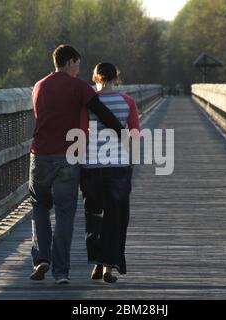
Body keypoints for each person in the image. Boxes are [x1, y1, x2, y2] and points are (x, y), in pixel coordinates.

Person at [29, 45, 124, 284]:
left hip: (39, 156)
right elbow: (101, 112)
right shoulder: (78, 87)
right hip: (68, 157)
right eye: (78, 64)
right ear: (70, 62)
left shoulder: (39, 86)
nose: (79, 69)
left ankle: (41, 259)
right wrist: (122, 133)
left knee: (39, 204)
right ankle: (61, 273)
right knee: (64, 213)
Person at [80, 63, 140, 283]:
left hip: (91, 166)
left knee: (94, 215)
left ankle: (96, 261)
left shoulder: (86, 103)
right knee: (116, 218)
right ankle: (108, 268)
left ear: (95, 78)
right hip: (118, 166)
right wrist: (132, 162)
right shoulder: (127, 102)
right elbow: (134, 135)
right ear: (117, 78)